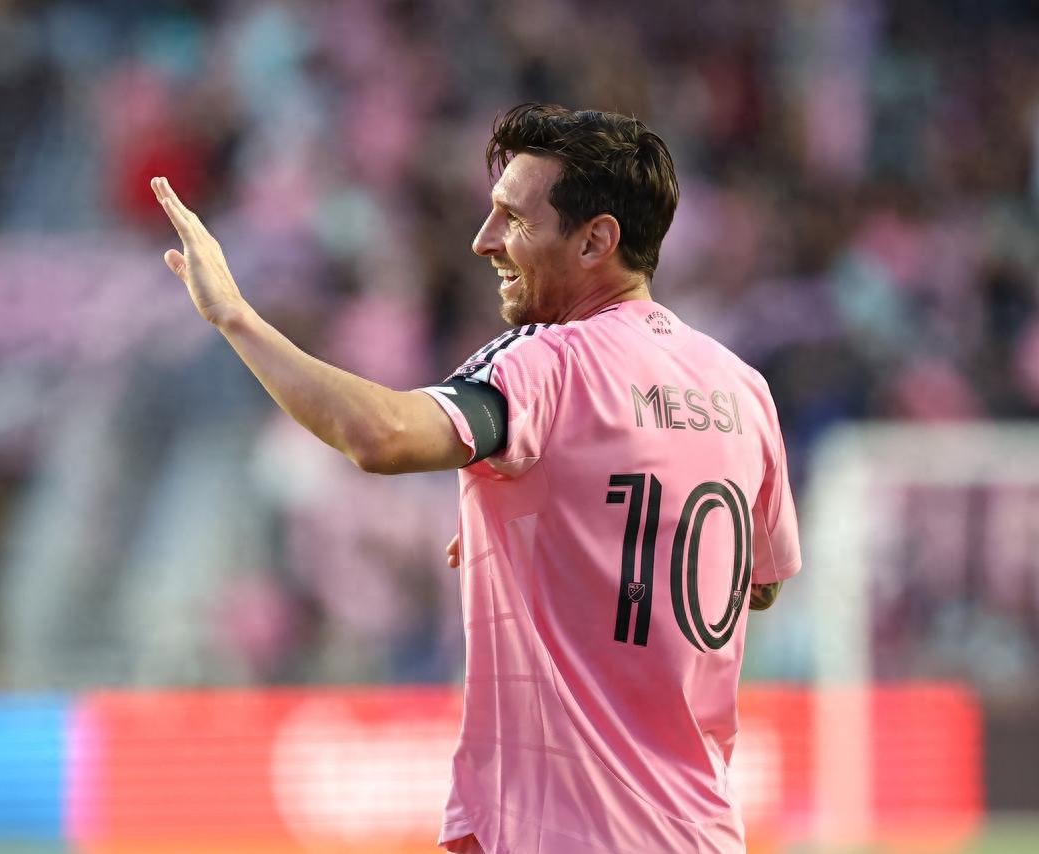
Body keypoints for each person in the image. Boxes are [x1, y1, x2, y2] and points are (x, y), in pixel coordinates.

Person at [152, 102, 801, 854]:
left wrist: (235, 316)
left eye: (514, 220)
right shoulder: (741, 388)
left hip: (566, 834)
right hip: (702, 833)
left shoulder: (546, 363)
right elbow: (757, 582)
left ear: (596, 240)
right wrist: (565, 540)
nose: (483, 240)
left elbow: (379, 435)